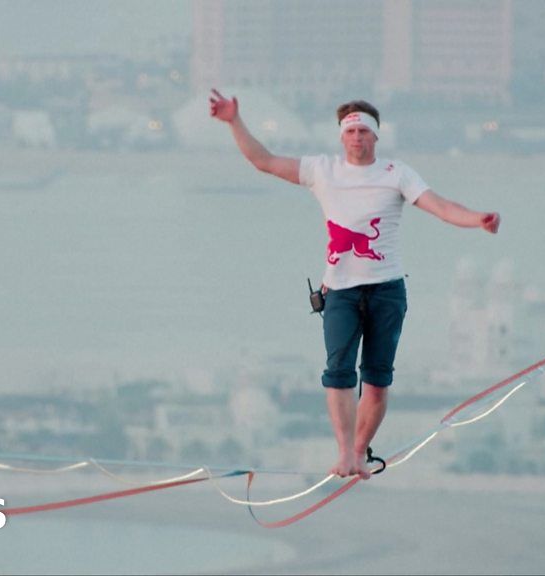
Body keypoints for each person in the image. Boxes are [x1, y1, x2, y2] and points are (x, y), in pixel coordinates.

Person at [209, 89, 500, 479]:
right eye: (350, 132)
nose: (357, 138)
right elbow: (264, 161)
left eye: (364, 131)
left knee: (377, 384)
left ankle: (360, 451)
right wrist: (233, 121)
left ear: (376, 137)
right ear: (341, 137)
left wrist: (478, 219)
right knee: (339, 373)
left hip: (387, 291)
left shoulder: (397, 174)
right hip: (340, 292)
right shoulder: (322, 170)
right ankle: (345, 452)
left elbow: (443, 208)